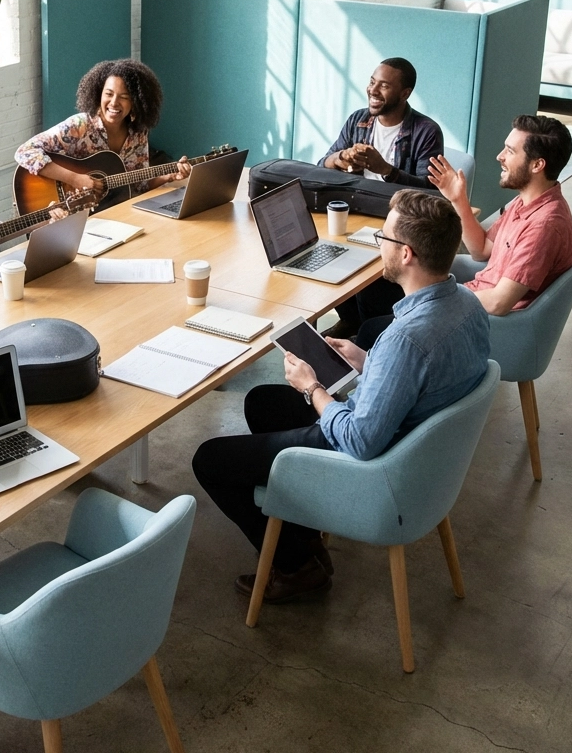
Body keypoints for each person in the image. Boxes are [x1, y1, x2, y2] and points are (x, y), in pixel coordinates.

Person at [192, 189, 489, 603]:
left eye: (383, 238)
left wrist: (313, 387)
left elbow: (360, 441)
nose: (378, 244)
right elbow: (426, 378)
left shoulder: (406, 339)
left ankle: (296, 567)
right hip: (418, 452)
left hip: (378, 466)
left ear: (406, 254)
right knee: (261, 402)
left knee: (211, 460)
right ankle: (302, 533)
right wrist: (369, 362)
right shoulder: (469, 305)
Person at [429, 114, 572, 316]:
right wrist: (458, 200)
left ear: (537, 165)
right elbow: (481, 250)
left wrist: (436, 297)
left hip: (480, 320)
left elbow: (498, 303)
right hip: (471, 298)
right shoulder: (526, 201)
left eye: (510, 151)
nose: (500, 156)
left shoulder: (543, 226)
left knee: (375, 323)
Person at [14, 59, 192, 197]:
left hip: (109, 213)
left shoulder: (138, 133)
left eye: (124, 97)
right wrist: (75, 179)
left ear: (136, 101)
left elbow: (139, 184)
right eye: (108, 94)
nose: (114, 103)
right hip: (68, 213)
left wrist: (169, 176)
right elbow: (24, 152)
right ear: (98, 94)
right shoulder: (80, 126)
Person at [321, 57, 444, 188]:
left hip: (398, 207)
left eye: (384, 86)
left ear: (405, 94)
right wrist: (341, 158)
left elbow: (429, 190)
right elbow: (322, 165)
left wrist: (386, 170)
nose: (373, 91)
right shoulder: (358, 119)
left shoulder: (427, 131)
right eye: (372, 82)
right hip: (355, 201)